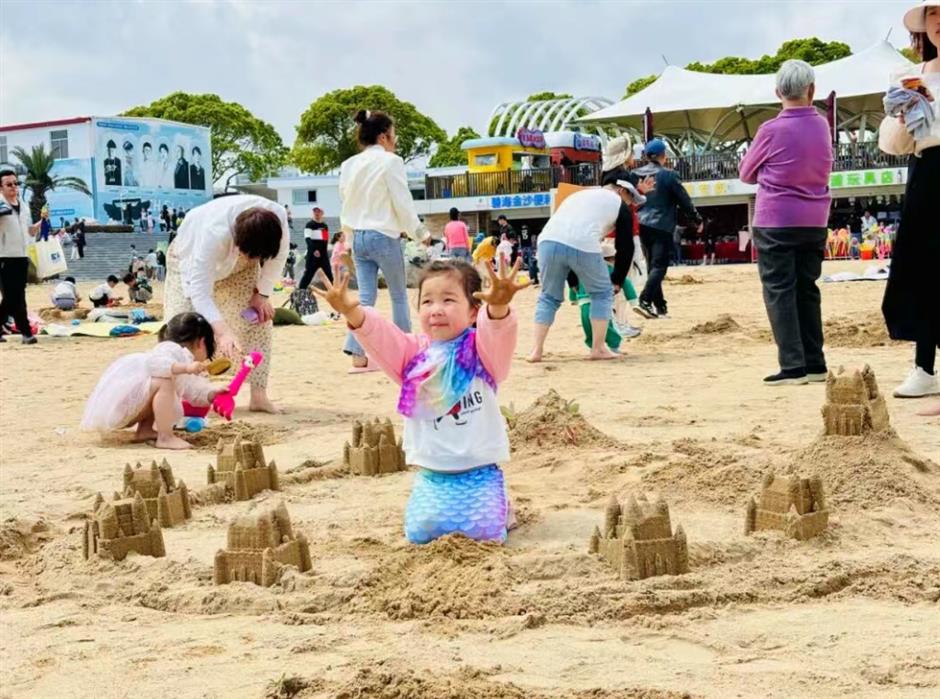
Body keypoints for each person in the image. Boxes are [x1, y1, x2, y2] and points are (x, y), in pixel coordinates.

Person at [312, 258, 527, 544]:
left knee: (486, 534)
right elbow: (383, 337)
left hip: (480, 470)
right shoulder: (413, 356)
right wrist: (350, 310)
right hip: (432, 474)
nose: (436, 309)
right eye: (427, 302)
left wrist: (498, 308)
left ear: (474, 311)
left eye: (448, 300)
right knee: (420, 532)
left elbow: (498, 332)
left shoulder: (483, 351)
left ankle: (501, 507)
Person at [739, 59, 834, 386]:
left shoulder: (770, 129)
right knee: (807, 289)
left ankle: (792, 366)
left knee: (780, 290)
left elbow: (746, 173)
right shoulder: (823, 125)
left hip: (776, 218)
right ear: (812, 90)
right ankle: (815, 363)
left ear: (778, 91)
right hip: (815, 218)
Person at [163, 194, 288, 413]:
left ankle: (259, 396)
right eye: (249, 254)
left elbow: (278, 257)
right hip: (188, 260)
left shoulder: (277, 219)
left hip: (238, 269)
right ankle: (186, 397)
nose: (252, 259)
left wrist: (262, 294)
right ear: (237, 242)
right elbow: (199, 292)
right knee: (183, 329)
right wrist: (222, 332)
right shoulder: (213, 235)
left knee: (257, 322)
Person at [879, 0, 940, 400]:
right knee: (924, 267)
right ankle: (924, 365)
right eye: (934, 15)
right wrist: (903, 114)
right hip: (928, 172)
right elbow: (894, 144)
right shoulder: (912, 75)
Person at [338, 109, 429, 372]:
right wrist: (419, 232)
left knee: (366, 298)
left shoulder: (348, 165)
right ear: (383, 136)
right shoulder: (391, 162)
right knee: (399, 296)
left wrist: (347, 236)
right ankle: (405, 352)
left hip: (358, 236)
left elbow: (347, 202)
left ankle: (357, 354)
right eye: (393, 134)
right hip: (383, 235)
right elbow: (402, 201)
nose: (395, 140)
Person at [527, 171, 640, 363]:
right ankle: (598, 348)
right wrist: (618, 280)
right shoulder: (619, 204)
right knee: (602, 294)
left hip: (547, 241)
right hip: (583, 243)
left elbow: (565, 231)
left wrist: (572, 281)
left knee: (548, 297)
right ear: (621, 190)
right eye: (631, 197)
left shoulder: (578, 195)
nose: (631, 203)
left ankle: (536, 351)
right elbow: (625, 247)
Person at [80, 312, 226, 450]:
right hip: (122, 409)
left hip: (133, 408)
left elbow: (193, 392)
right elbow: (156, 365)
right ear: (201, 342)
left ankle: (145, 431)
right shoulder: (170, 349)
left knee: (163, 383)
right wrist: (186, 368)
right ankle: (165, 438)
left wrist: (212, 394)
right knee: (164, 382)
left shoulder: (184, 364)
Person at [633, 139, 703, 319]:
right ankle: (645, 300)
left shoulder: (635, 174)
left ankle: (660, 308)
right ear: (664, 155)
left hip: (641, 224)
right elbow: (684, 200)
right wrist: (696, 219)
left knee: (652, 267)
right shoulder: (669, 175)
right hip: (662, 225)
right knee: (660, 267)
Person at [0, 168, 40, 344]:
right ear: (0, 188)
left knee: (17, 295)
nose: (13, 187)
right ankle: (26, 333)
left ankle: (25, 333)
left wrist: (37, 226)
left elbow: (28, 231)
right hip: (4, 256)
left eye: (16, 183)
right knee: (12, 297)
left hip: (21, 256)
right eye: (9, 184)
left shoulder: (23, 205)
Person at [299, 206, 332, 289]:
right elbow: (307, 239)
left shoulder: (324, 226)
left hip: (323, 255)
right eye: (315, 212)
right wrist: (314, 250)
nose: (316, 213)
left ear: (322, 213)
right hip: (313, 255)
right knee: (308, 275)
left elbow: (325, 240)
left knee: (329, 274)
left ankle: (334, 293)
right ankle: (300, 291)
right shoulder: (309, 225)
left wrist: (325, 253)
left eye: (318, 211)